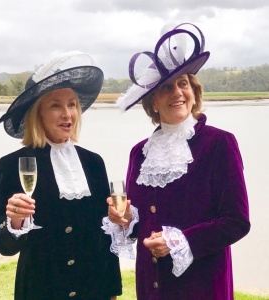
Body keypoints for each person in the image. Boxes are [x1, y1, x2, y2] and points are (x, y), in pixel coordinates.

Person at [105, 23, 250, 300]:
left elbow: (236, 221)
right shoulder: (140, 152)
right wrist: (124, 220)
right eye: (166, 87)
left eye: (183, 83)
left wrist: (179, 241)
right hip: (152, 286)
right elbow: (141, 222)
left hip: (203, 286)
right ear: (153, 103)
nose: (177, 92)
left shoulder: (220, 143)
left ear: (193, 91)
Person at [0, 51, 122, 300]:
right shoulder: (12, 165)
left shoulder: (94, 163)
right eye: (55, 105)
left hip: (94, 290)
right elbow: (5, 247)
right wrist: (16, 222)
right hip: (42, 291)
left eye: (72, 104)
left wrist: (111, 291)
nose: (67, 114)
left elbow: (106, 237)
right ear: (37, 113)